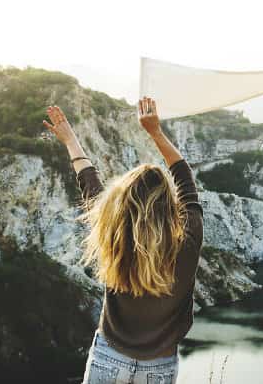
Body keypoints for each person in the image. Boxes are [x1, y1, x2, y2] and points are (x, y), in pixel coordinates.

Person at [43, 97, 203, 384]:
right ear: (169, 206)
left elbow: (90, 185)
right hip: (159, 364)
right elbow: (185, 180)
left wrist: (71, 140)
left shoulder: (112, 234)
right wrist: (155, 131)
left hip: (109, 357)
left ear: (122, 204)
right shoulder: (188, 243)